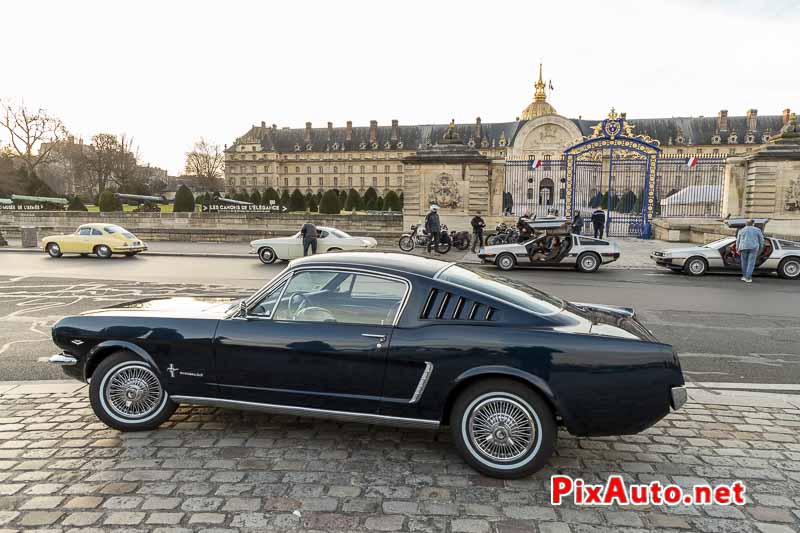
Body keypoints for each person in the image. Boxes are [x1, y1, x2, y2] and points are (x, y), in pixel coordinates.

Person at [735, 219, 764, 283]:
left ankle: (744, 276)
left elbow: (738, 240)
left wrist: (737, 249)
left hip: (743, 247)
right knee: (751, 263)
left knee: (744, 262)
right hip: (753, 248)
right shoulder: (757, 230)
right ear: (753, 224)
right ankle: (748, 277)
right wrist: (761, 247)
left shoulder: (741, 230)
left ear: (746, 224)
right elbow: (761, 240)